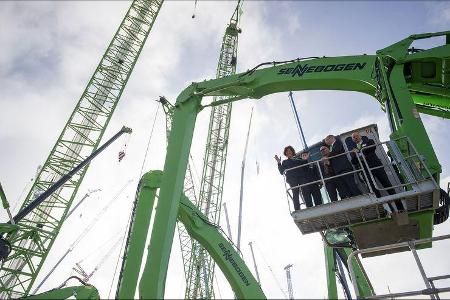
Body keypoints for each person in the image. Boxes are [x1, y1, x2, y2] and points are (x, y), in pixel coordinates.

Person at [349, 131, 396, 197]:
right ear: (352, 140)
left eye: (356, 136)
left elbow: (372, 147)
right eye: (353, 137)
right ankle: (381, 204)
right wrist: (358, 154)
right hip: (365, 170)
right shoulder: (353, 150)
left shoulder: (369, 141)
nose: (355, 138)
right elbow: (353, 161)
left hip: (376, 166)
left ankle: (398, 202)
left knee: (387, 184)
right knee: (372, 188)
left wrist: (359, 153)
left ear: (360, 136)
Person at [275, 146, 303, 210]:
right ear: (285, 153)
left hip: (301, 177)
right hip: (292, 179)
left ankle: (309, 205)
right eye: (287, 151)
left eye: (290, 150)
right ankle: (297, 209)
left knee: (305, 189)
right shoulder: (284, 162)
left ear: (292, 152)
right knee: (295, 192)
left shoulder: (298, 159)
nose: (289, 152)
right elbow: (281, 172)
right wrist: (279, 163)